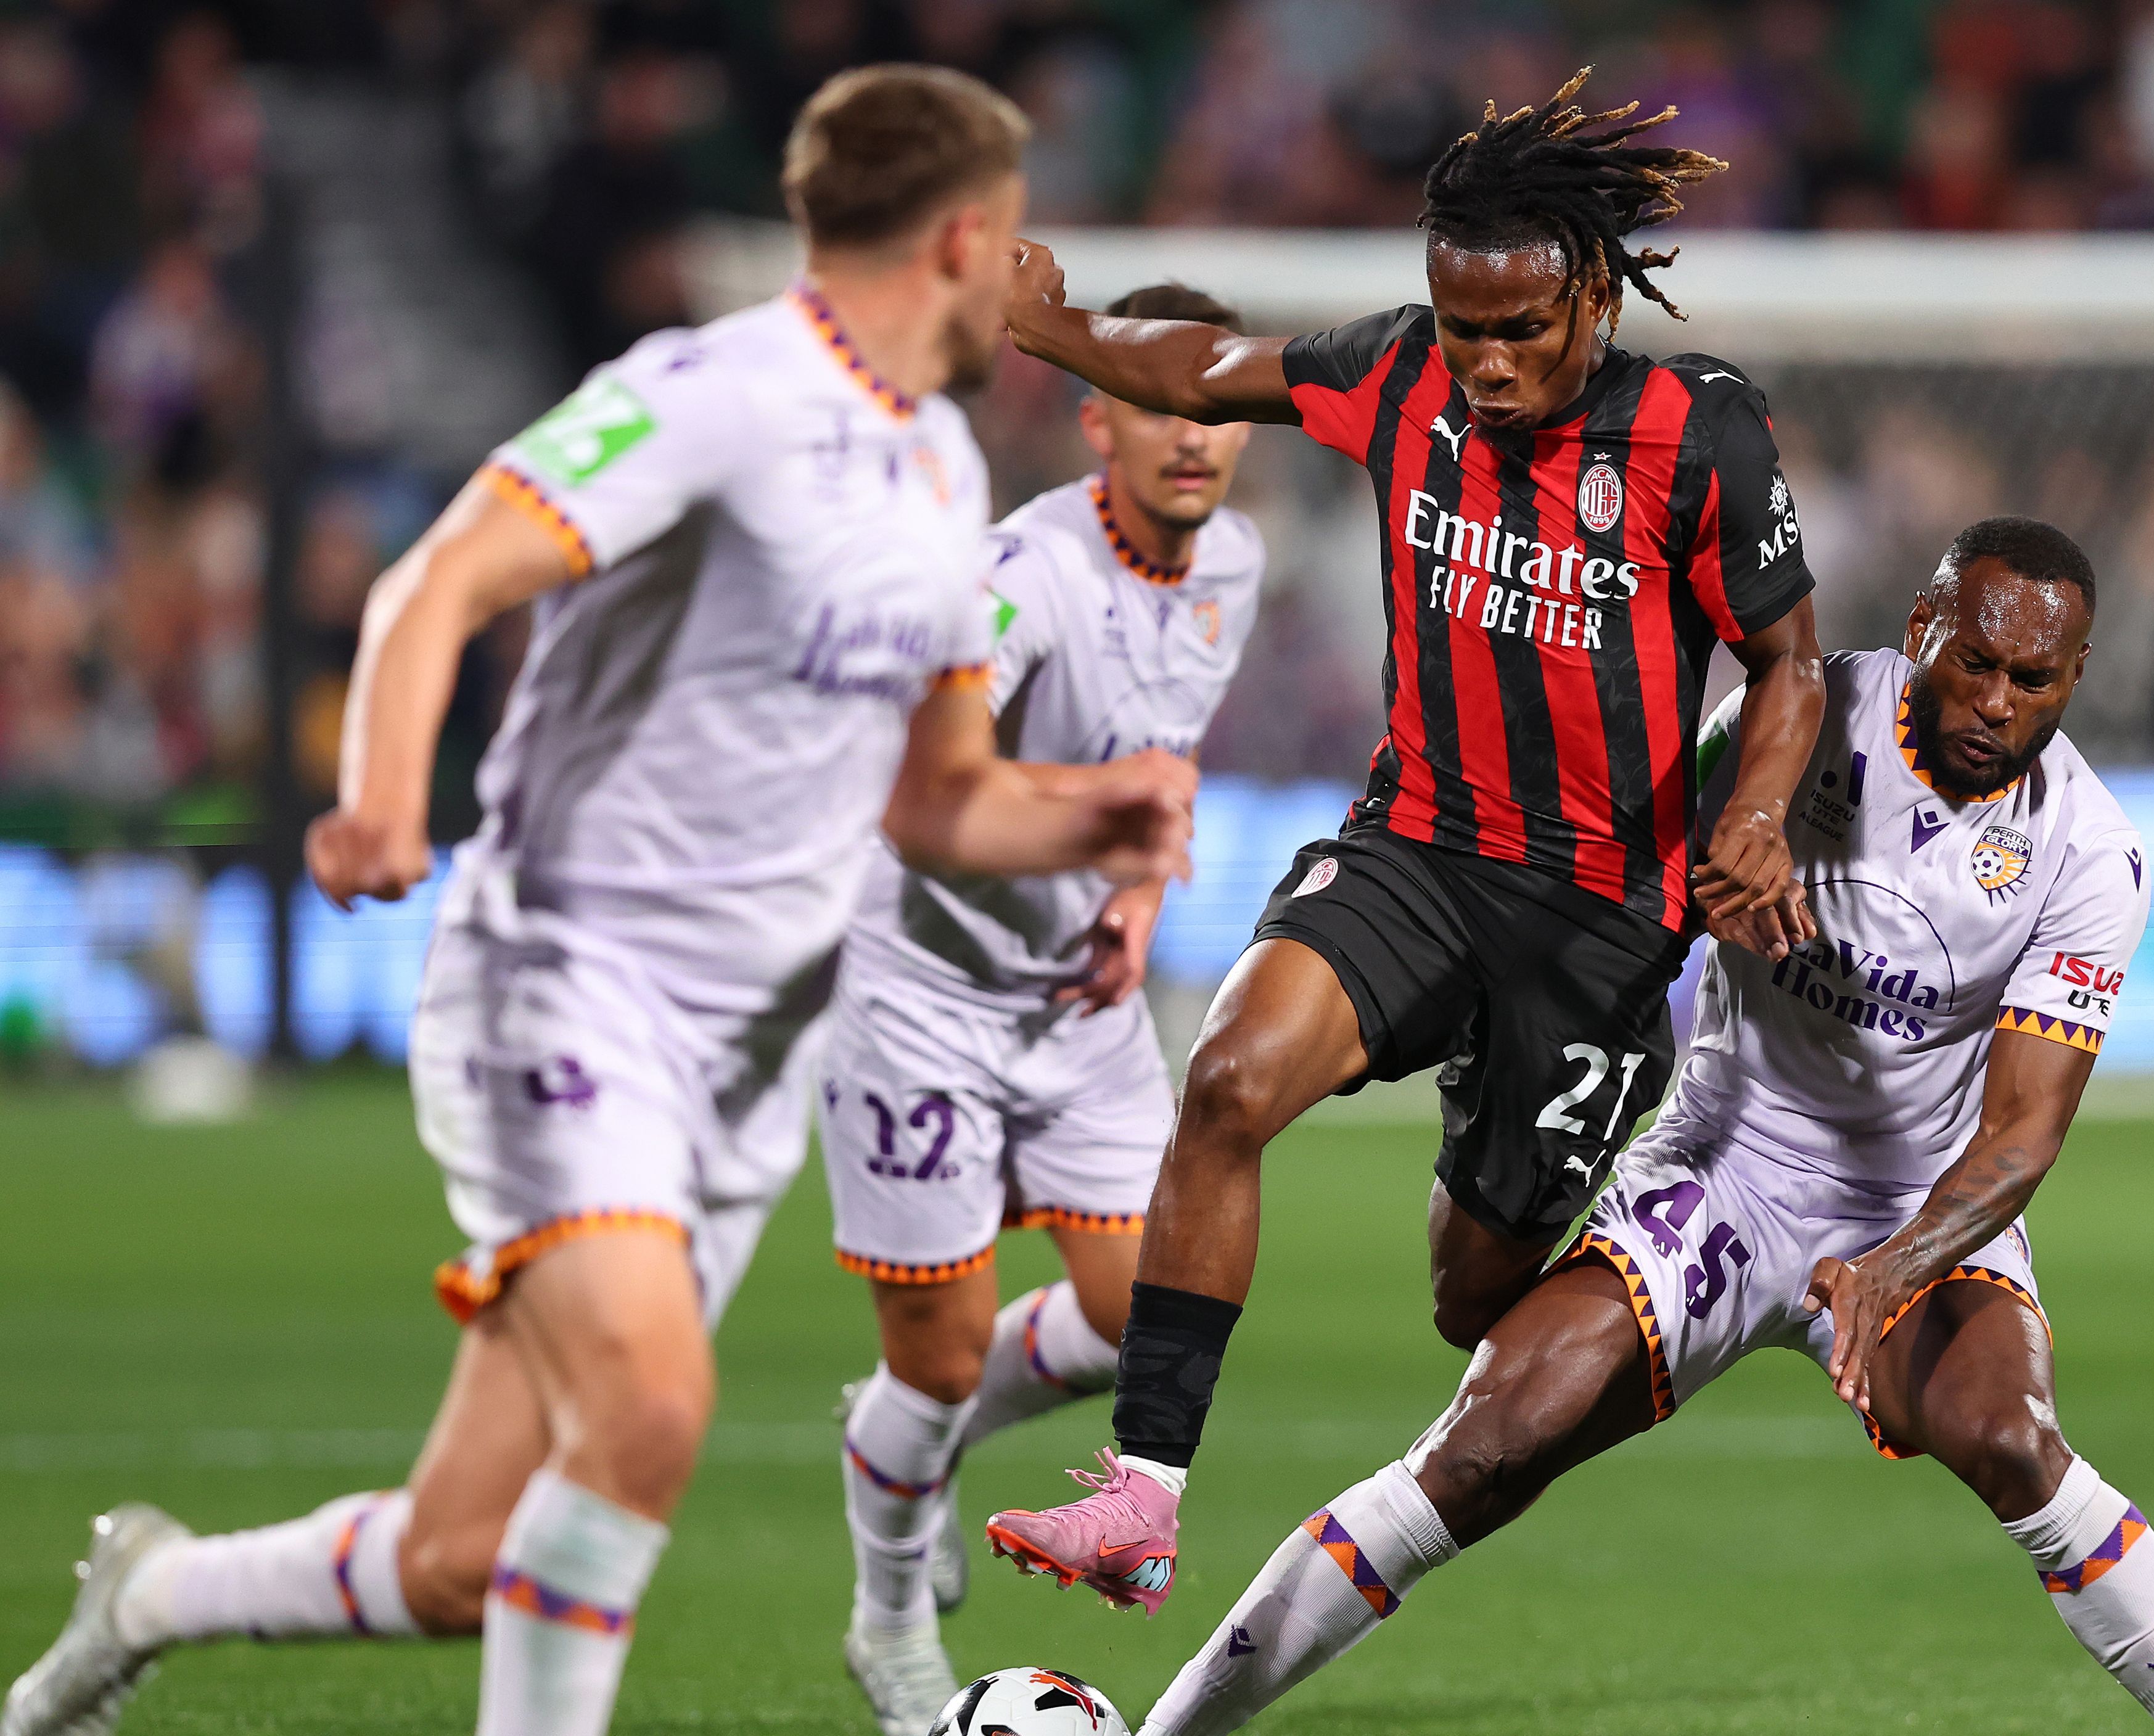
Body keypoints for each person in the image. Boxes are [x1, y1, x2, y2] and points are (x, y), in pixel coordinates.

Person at [4, 66, 1194, 1736]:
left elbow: (936, 800)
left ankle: (152, 1592)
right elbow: (443, 576)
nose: (1025, 291)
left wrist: (1105, 808)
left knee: (458, 1562)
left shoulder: (930, 465)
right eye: (1014, 249)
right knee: (647, 1405)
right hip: (571, 983)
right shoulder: (709, 392)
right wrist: (377, 792)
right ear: (961, 235)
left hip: (738, 1062)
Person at [1119, 518, 2154, 1736]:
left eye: (2032, 680)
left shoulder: (2092, 854)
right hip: (1722, 1163)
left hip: (1912, 1207)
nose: (1994, 700)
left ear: (2075, 677)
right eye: (1974, 659)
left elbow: (2023, 1134)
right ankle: (1169, 1732)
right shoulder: (1808, 717)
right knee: (1483, 1447)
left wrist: (1895, 1268)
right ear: (1926, 626)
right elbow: (1645, 890)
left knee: (2017, 1441)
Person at [977, 68, 1829, 1612]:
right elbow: (1215, 363)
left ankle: (1663, 1252)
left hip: (1599, 922)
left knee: (1469, 1294)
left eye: (1517, 330)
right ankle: (1142, 1495)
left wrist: (1757, 815)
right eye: (1462, 327)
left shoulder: (1700, 439)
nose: (1487, 364)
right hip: (1419, 852)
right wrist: (1059, 331)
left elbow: (1790, 665)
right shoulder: (1399, 377)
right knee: (1228, 1079)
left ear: (1587, 300)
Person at [823, 281, 1264, 1733]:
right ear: (1097, 421)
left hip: (1077, 1004)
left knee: (1144, 1312)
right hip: (928, 993)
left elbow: (1166, 758)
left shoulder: (1235, 569)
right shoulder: (1020, 574)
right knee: (936, 1358)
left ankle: (920, 1449)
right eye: (1155, 403)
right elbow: (918, 802)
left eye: (1213, 407)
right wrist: (1106, 813)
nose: (1189, 437)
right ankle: (889, 1622)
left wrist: (1134, 894)